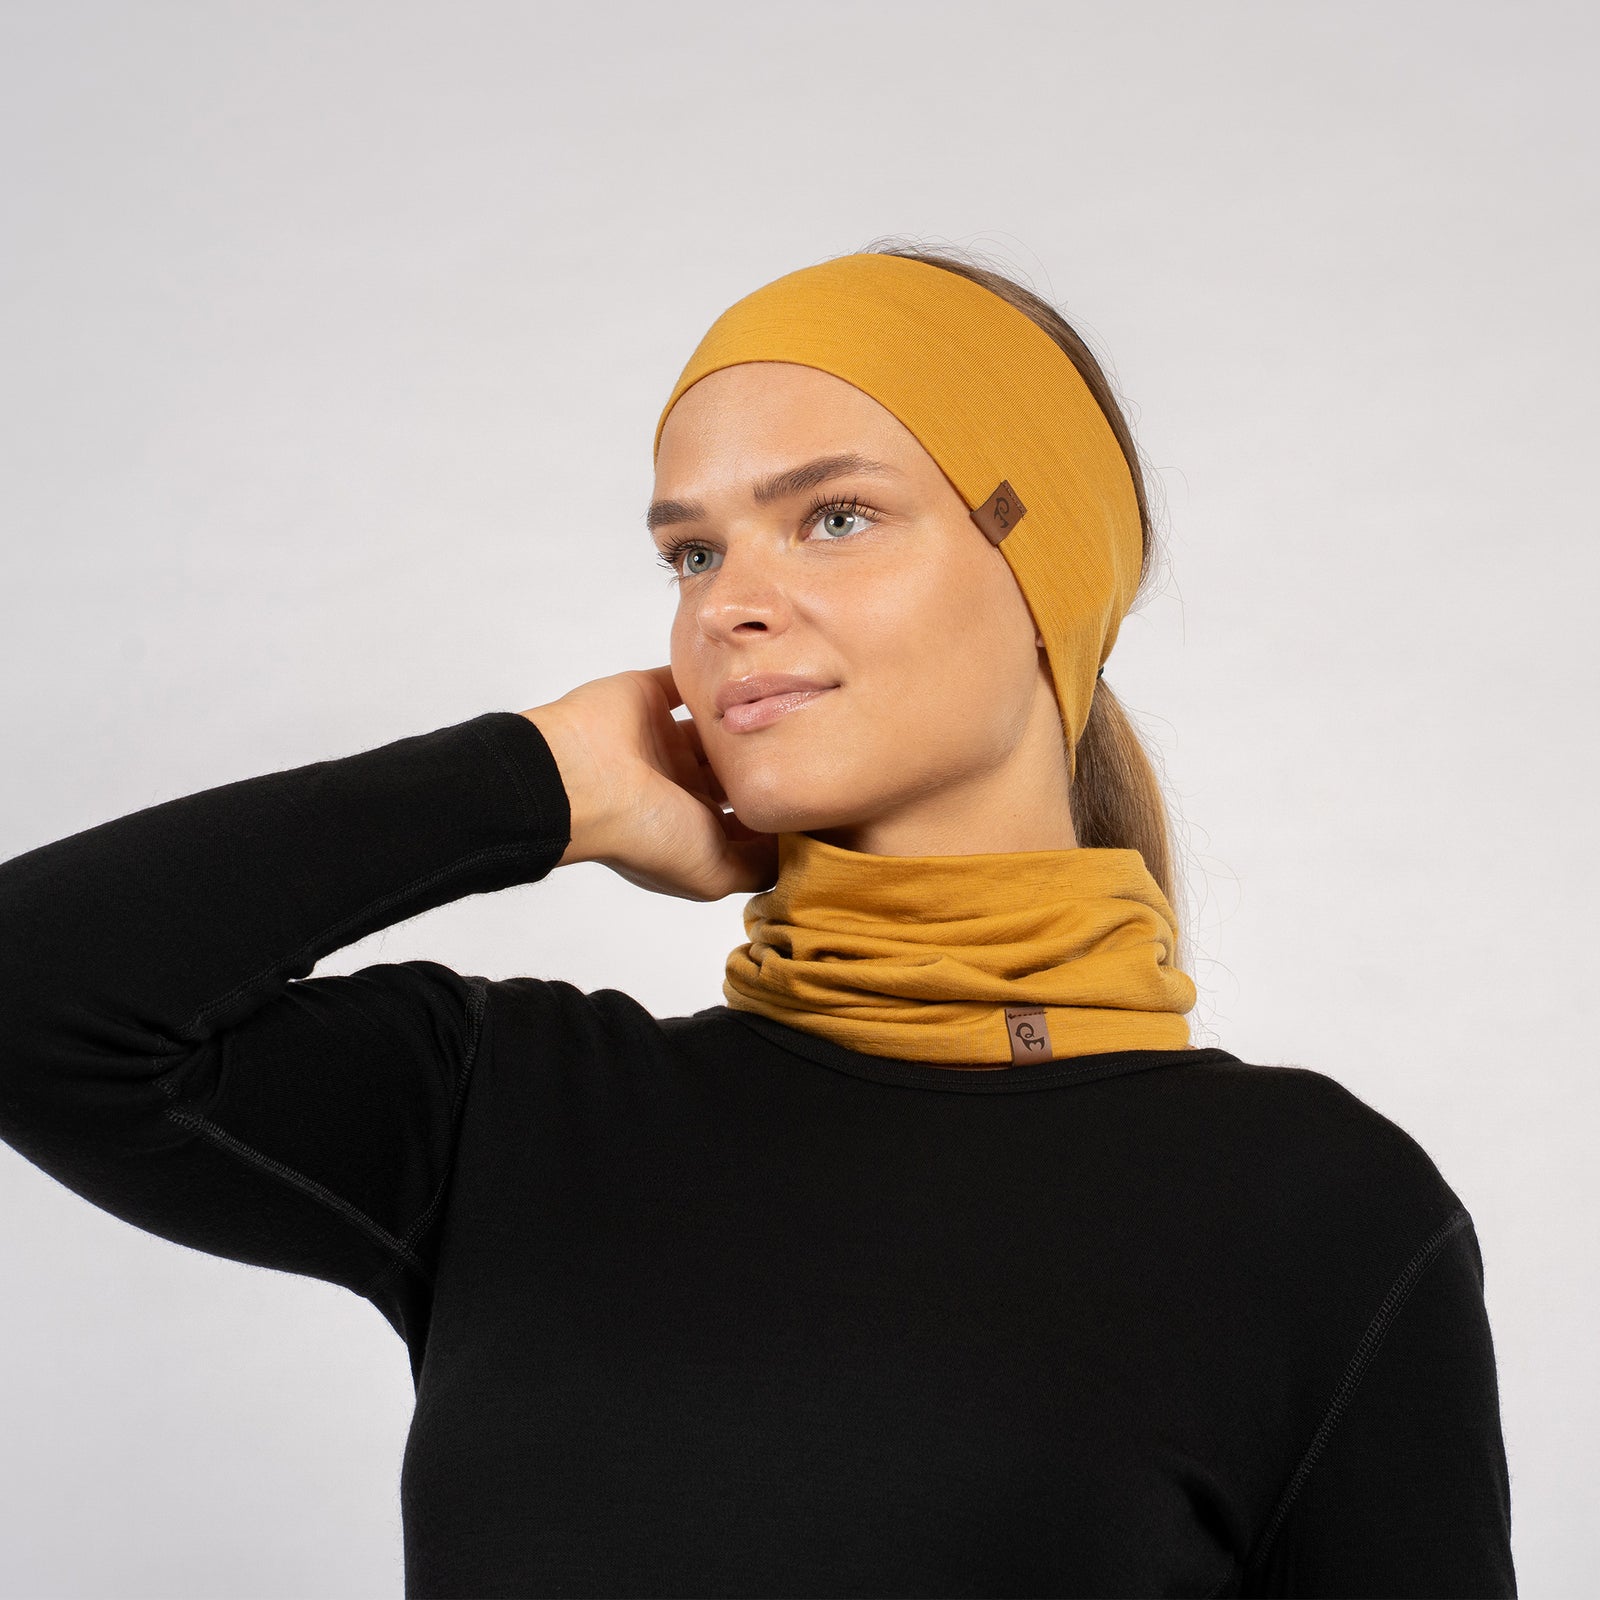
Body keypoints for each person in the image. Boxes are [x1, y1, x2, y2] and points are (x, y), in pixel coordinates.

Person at [0, 245, 1516, 1598]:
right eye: (693, 553)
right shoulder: (510, 1117)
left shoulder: (1317, 1214)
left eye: (836, 517)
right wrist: (540, 780)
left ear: (1045, 574)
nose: (727, 604)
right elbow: (37, 993)